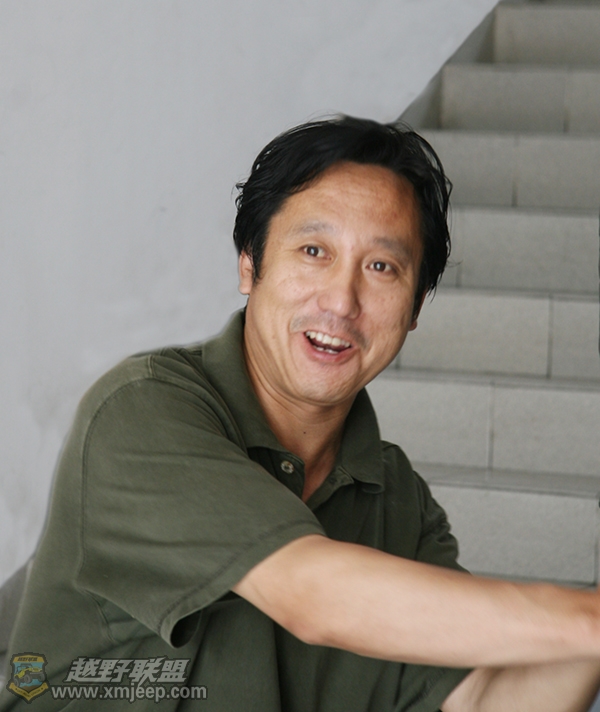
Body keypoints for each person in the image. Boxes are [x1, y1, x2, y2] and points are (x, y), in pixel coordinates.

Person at [2, 116, 600, 712]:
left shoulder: (399, 501)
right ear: (249, 264)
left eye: (382, 267)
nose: (341, 301)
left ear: (416, 307)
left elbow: (480, 700)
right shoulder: (142, 411)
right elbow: (314, 596)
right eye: (314, 251)